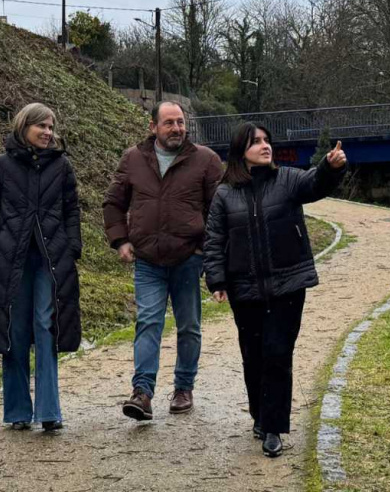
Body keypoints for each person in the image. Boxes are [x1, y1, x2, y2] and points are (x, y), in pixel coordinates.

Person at [203, 122, 347, 457]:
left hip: (288, 285)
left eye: (267, 140)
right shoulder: (225, 193)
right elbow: (214, 240)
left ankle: (273, 428)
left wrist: (330, 166)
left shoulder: (288, 180)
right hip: (245, 289)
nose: (265, 146)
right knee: (254, 356)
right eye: (256, 142)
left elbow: (316, 183)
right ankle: (260, 414)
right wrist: (217, 280)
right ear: (241, 151)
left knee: (278, 353)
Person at [103, 101, 224, 420]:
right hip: (148, 260)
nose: (176, 128)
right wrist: (120, 239)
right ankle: (142, 393)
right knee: (148, 323)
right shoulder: (133, 159)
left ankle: (184, 388)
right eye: (169, 123)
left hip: (189, 258)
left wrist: (205, 249)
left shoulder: (206, 160)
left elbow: (221, 210)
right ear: (153, 127)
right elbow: (114, 202)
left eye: (180, 122)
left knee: (189, 326)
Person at [0, 102, 82, 432]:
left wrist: (72, 246)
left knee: (46, 327)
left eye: (51, 127)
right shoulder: (0, 167)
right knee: (14, 333)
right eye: (42, 126)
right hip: (11, 262)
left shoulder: (61, 167)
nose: (48, 132)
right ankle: (18, 411)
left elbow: (72, 210)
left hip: (50, 262)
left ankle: (50, 412)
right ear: (25, 127)